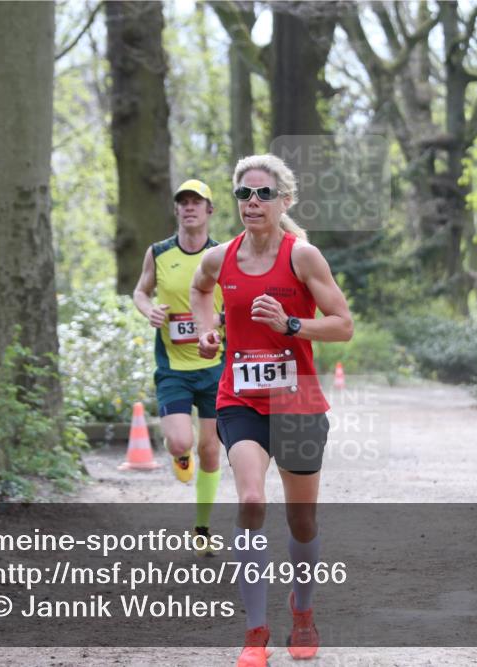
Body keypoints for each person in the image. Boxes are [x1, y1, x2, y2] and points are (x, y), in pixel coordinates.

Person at [190, 155, 354, 666]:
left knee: (301, 521)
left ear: (284, 201)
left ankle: (301, 613)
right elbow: (198, 290)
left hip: (298, 399)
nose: (252, 203)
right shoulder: (221, 258)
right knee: (252, 501)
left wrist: (290, 325)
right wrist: (205, 330)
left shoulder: (302, 257)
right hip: (240, 400)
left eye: (263, 194)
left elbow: (343, 324)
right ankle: (255, 632)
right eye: (244, 195)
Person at [133, 179, 225, 557]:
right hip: (172, 366)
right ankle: (179, 455)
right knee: (181, 443)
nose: (189, 208)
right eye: (183, 203)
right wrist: (148, 309)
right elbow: (141, 291)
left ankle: (202, 529)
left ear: (209, 211)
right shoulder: (159, 252)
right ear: (176, 210)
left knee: (211, 450)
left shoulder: (222, 254)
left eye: (196, 202)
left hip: (214, 365)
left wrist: (220, 320)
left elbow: (236, 298)